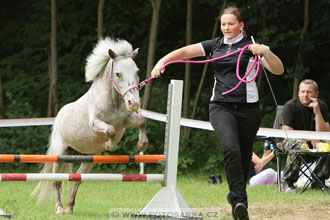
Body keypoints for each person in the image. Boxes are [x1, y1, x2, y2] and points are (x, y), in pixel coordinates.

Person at [151, 6, 284, 220]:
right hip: (221, 107)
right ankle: (240, 202)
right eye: (223, 24)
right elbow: (185, 52)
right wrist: (161, 61)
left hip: (249, 109)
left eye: (231, 23)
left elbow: (278, 70)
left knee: (242, 158)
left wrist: (265, 52)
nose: (226, 27)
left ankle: (234, 197)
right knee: (231, 149)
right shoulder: (215, 45)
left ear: (241, 25)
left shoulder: (253, 46)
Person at [277, 79, 330, 193]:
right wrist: (311, 139)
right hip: (287, 143)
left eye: (309, 92)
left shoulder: (321, 106)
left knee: (328, 144)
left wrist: (317, 112)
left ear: (316, 93)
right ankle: (288, 182)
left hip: (314, 143)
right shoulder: (290, 106)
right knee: (300, 144)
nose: (305, 95)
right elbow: (287, 135)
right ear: (298, 92)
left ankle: (318, 181)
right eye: (302, 91)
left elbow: (325, 133)